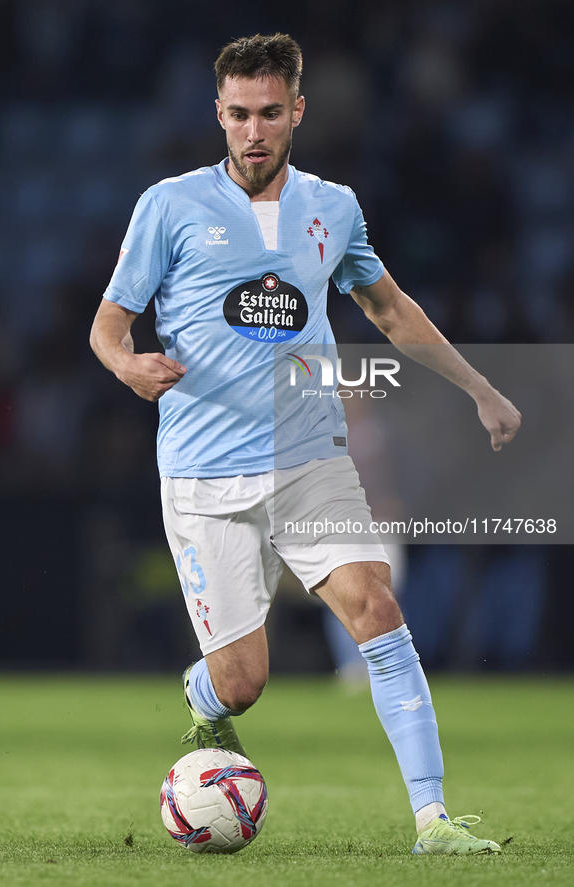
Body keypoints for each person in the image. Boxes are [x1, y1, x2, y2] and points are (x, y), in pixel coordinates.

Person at [90, 33, 521, 855]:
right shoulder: (170, 205)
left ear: (297, 111)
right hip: (203, 471)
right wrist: (127, 364)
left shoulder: (334, 207)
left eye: (270, 114)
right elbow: (108, 323)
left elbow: (389, 309)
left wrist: (481, 389)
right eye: (239, 115)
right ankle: (201, 694)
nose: (254, 132)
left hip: (311, 459)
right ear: (218, 114)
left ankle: (433, 820)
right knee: (242, 681)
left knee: (379, 610)